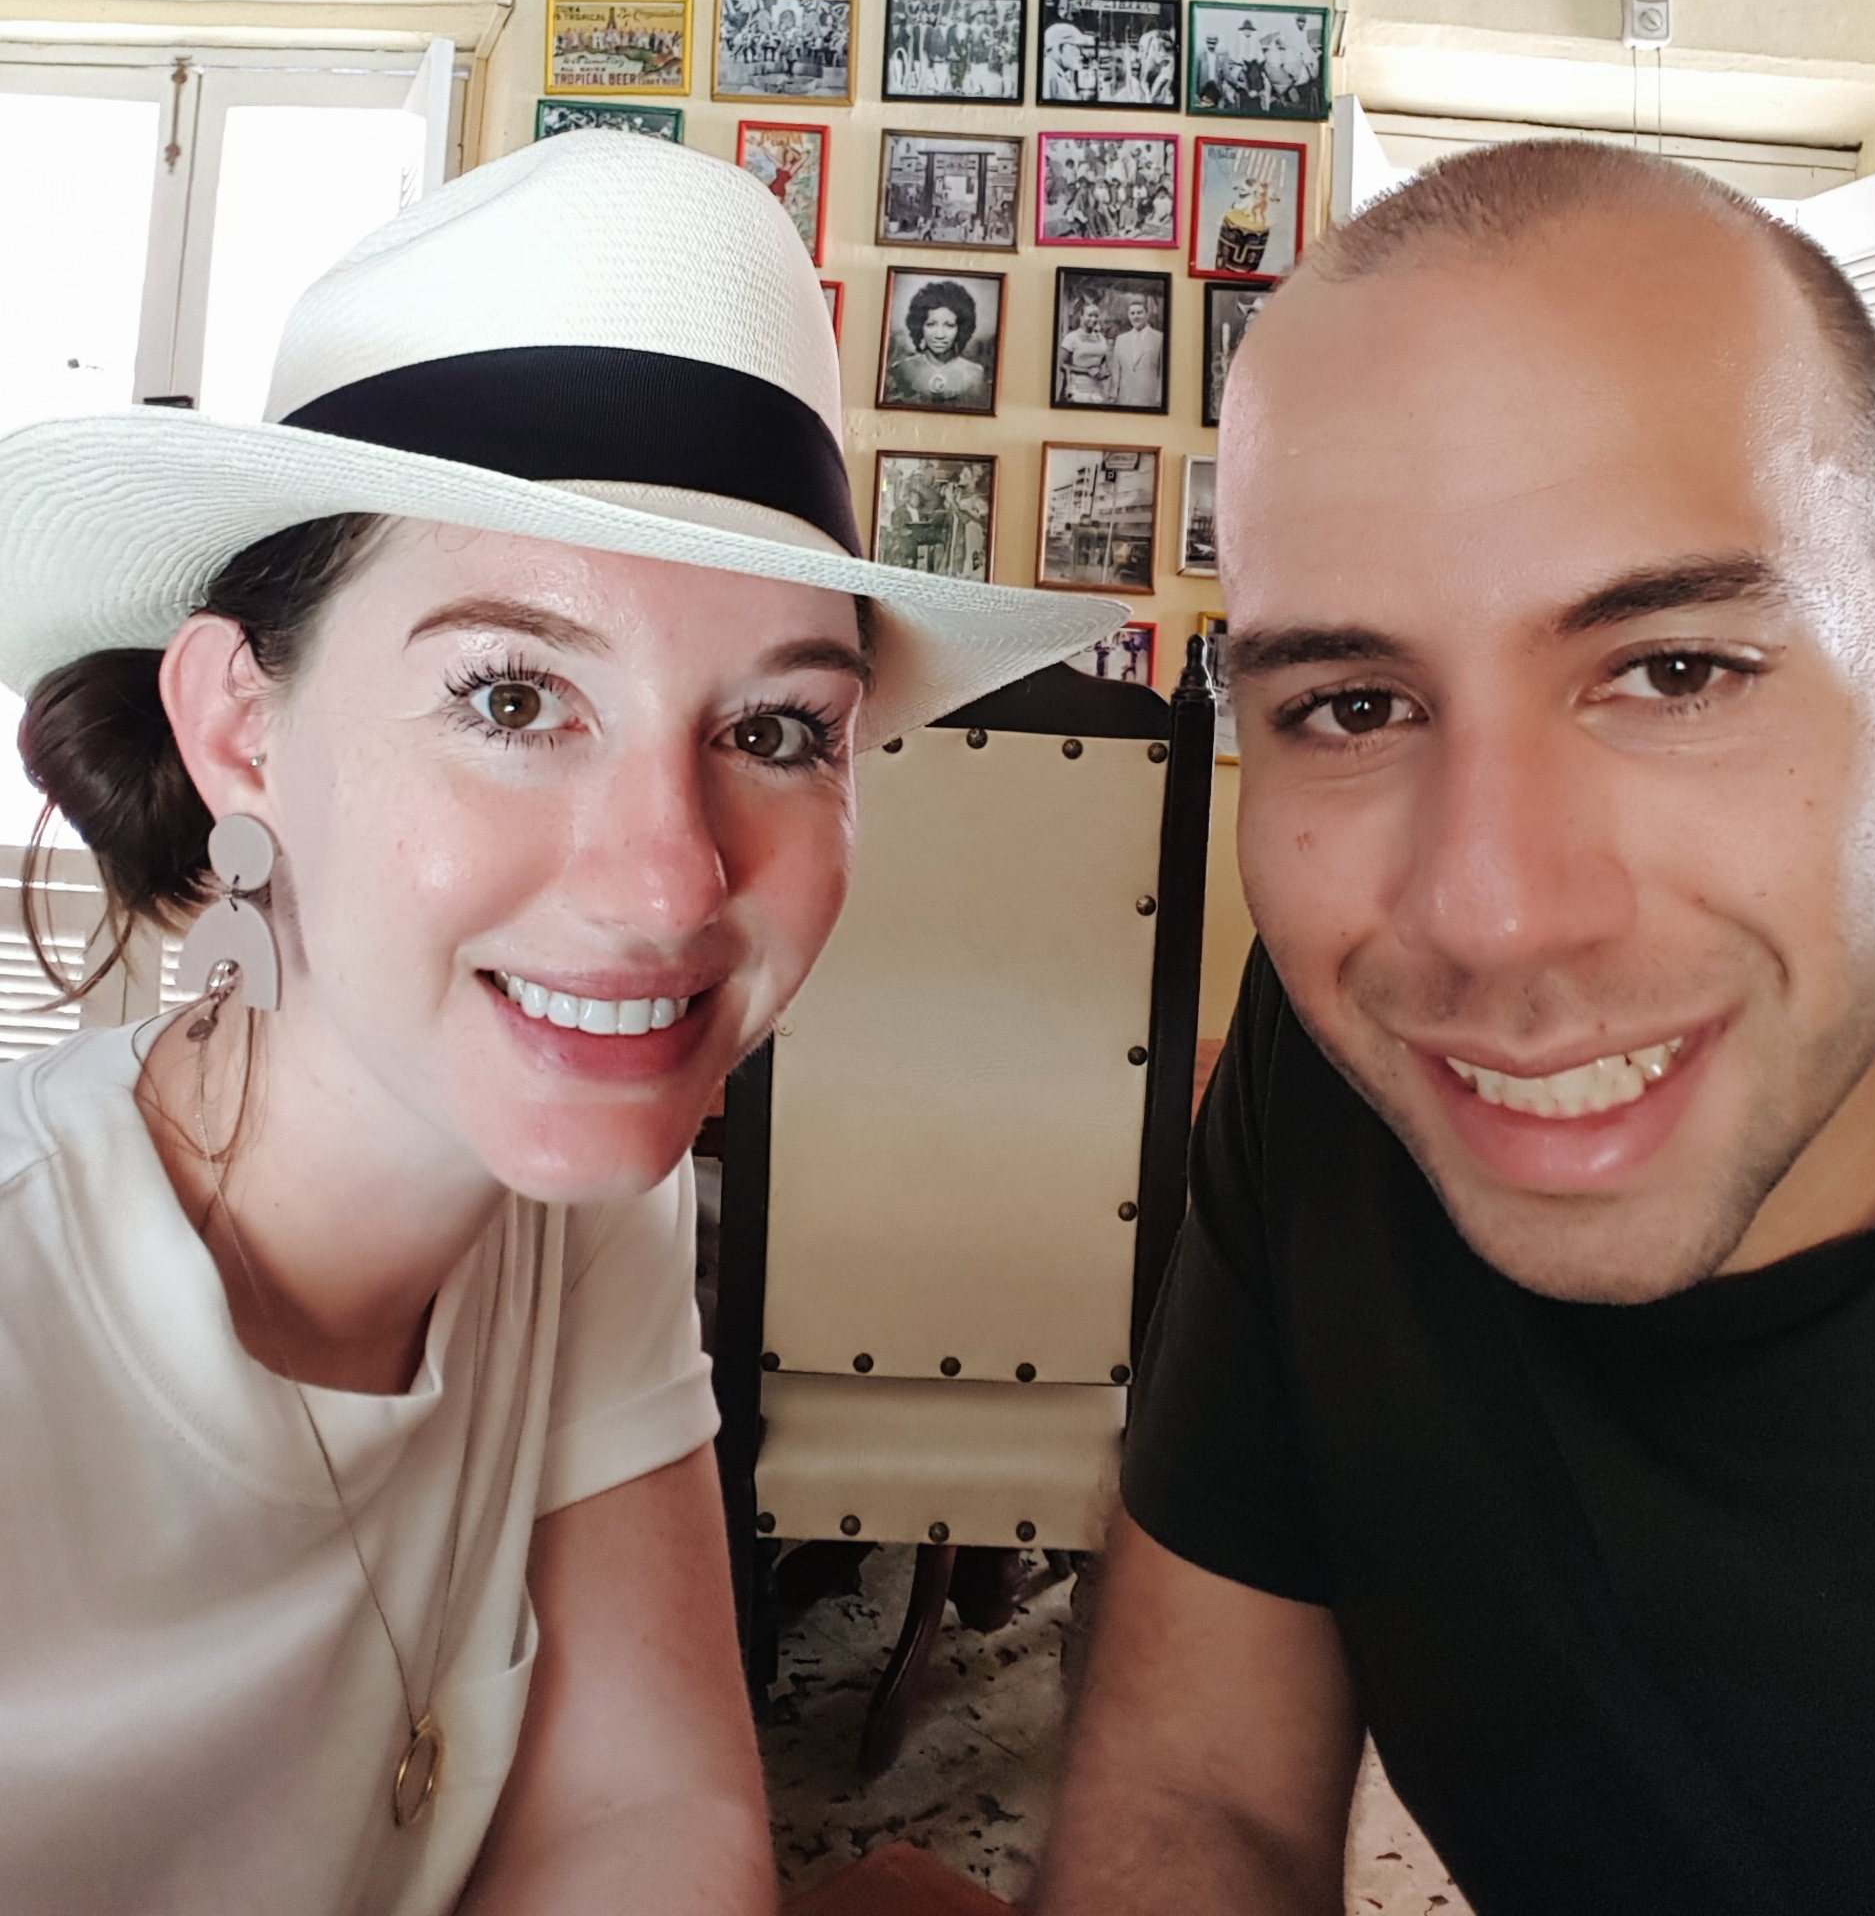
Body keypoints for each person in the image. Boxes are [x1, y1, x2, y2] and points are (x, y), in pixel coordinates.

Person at [0, 131, 1094, 1916]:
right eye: (513, 695)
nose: (670, 881)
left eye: (777, 729)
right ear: (239, 728)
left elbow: (642, 1831)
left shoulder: (580, 1204)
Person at [1040, 139, 1875, 1916]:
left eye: (1670, 670)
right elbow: (1197, 1789)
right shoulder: (1334, 1075)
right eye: (1353, 703)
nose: (1487, 913)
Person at [882, 278, 991, 410]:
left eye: (949, 325)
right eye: (931, 325)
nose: (939, 335)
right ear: (919, 326)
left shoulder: (976, 375)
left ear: (961, 329)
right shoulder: (900, 371)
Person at [1109, 291, 1164, 409]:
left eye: (1139, 313)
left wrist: (1160, 398)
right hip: (1125, 398)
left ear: (1147, 314)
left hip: (1149, 397)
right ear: (1128, 316)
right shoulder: (1121, 339)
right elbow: (1116, 370)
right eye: (1132, 313)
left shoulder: (1159, 338)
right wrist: (1113, 395)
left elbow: (1162, 371)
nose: (1136, 316)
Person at [1057, 297, 1115, 407]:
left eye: (1096, 316)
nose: (1093, 319)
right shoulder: (1071, 338)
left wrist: (1103, 372)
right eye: (1090, 315)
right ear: (1081, 316)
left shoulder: (1101, 338)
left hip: (1098, 388)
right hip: (1077, 388)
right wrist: (1086, 371)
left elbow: (1103, 362)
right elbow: (1061, 364)